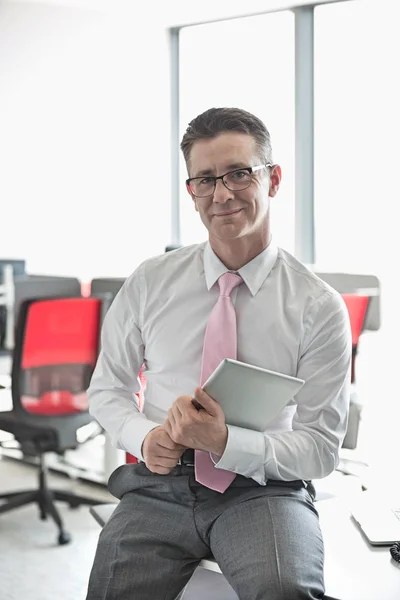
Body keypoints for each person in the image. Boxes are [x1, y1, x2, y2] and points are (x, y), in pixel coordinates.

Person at [85, 107, 351, 600]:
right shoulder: (150, 280)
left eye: (238, 174)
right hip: (160, 483)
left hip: (263, 487)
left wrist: (226, 442)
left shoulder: (318, 306)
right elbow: (107, 390)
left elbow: (320, 448)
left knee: (286, 589)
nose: (223, 194)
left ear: (272, 179)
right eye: (206, 180)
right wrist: (145, 438)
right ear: (192, 192)